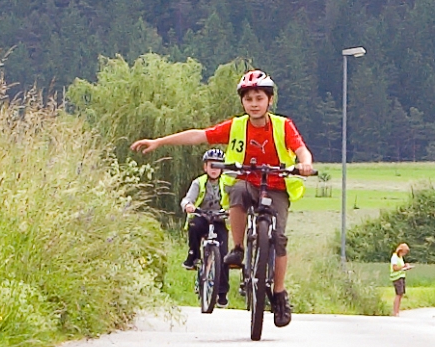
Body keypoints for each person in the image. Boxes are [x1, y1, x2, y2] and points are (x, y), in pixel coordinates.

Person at [130, 69, 314, 328]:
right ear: (242, 102)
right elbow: (199, 135)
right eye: (248, 99)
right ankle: (238, 248)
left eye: (259, 98)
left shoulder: (283, 126)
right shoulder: (237, 126)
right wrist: (159, 141)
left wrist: (305, 164)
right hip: (247, 182)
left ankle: (280, 294)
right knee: (237, 191)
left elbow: (301, 149)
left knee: (279, 240)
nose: (254, 103)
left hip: (276, 185)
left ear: (269, 100)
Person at [180, 148, 230, 308]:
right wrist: (188, 205)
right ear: (205, 167)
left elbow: (235, 199)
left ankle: (222, 293)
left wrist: (232, 210)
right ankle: (193, 255)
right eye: (211, 165)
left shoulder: (227, 183)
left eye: (218, 165)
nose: (215, 169)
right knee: (194, 225)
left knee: (223, 255)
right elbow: (187, 199)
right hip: (202, 216)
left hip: (220, 219)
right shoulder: (199, 182)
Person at [390, 243, 412, 317]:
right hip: (396, 277)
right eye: (404, 251)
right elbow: (395, 268)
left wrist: (405, 266)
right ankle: (395, 311)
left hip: (401, 276)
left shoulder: (400, 258)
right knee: (398, 294)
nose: (405, 253)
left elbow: (400, 267)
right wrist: (403, 267)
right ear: (400, 250)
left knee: (401, 294)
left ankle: (397, 311)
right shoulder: (395, 257)